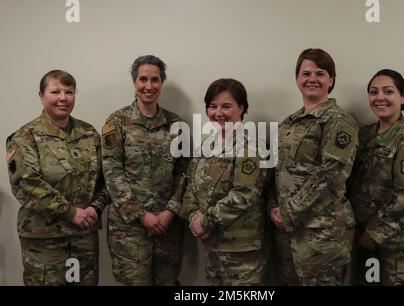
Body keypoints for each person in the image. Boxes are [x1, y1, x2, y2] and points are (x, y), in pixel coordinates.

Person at [5, 70, 109, 285]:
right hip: (45, 242)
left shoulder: (89, 134)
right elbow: (27, 185)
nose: (63, 97)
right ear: (41, 96)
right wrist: (71, 213)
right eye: (55, 91)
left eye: (69, 92)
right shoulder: (25, 136)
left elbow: (106, 180)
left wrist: (95, 208)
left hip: (83, 238)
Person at [268, 48, 358, 285]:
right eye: (306, 73)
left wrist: (288, 212)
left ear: (331, 80)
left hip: (322, 232)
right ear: (297, 79)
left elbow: (332, 175)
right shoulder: (288, 123)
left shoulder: (339, 121)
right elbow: (277, 171)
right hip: (288, 230)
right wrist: (274, 207)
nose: (312, 79)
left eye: (320, 73)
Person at [101, 55, 187, 285]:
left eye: (155, 80)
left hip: (168, 227)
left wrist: (170, 210)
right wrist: (141, 214)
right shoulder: (116, 122)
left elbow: (184, 172)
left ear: (162, 82)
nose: (149, 86)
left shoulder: (176, 124)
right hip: (129, 229)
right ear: (134, 82)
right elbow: (112, 172)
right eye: (143, 79)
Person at [347, 69, 404, 286]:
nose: (380, 97)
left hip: (403, 245)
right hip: (367, 241)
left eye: (388, 91)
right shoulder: (365, 134)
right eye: (374, 92)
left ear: (403, 97)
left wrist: (374, 233)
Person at [180, 78, 269, 285]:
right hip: (212, 247)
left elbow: (244, 194)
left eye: (226, 106)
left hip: (241, 250)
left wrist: (204, 222)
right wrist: (193, 214)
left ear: (242, 107)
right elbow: (191, 185)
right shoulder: (207, 144)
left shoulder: (251, 146)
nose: (218, 112)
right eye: (212, 106)